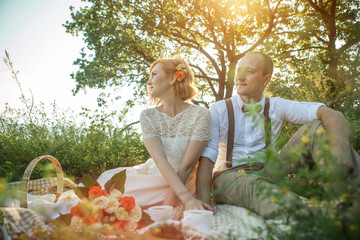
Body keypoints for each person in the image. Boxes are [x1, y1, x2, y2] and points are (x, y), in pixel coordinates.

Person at [196, 52, 360, 219]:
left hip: (268, 170)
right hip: (229, 176)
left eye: (249, 71)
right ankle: (322, 219)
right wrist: (203, 202)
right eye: (239, 70)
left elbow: (331, 114)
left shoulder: (276, 105)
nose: (240, 76)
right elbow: (207, 157)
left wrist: (338, 150)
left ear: (266, 79)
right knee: (255, 186)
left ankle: (353, 197)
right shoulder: (218, 109)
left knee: (318, 127)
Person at [97, 58, 212, 211]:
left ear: (172, 78)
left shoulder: (201, 114)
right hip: (155, 174)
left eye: (154, 74)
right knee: (107, 180)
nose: (149, 81)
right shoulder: (148, 116)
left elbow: (187, 166)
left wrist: (184, 200)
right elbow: (159, 159)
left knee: (120, 197)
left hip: (183, 181)